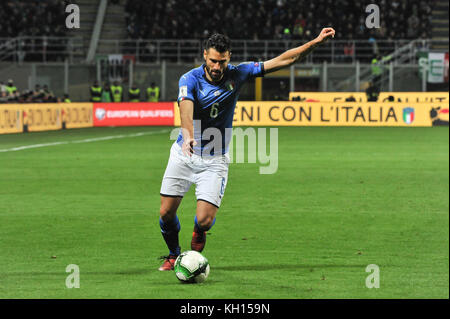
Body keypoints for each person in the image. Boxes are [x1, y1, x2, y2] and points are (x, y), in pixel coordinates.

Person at [157, 28, 336, 271]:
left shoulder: (239, 73)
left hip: (214, 159)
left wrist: (315, 42)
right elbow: (185, 107)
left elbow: (284, 59)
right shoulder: (189, 79)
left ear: (229, 56)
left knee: (205, 220)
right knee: (166, 213)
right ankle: (173, 254)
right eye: (212, 61)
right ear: (204, 56)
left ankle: (197, 234)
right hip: (184, 153)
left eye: (222, 61)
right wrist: (187, 133)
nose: (217, 66)